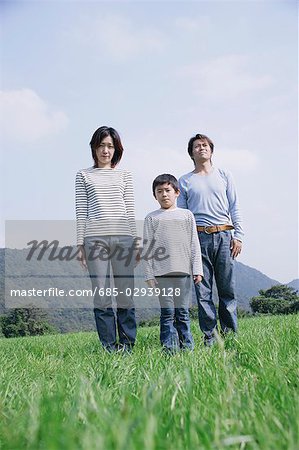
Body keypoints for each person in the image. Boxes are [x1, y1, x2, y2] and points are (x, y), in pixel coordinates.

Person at [75, 126, 138, 353]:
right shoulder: (83, 175)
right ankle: (110, 346)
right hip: (95, 239)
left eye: (110, 146)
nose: (105, 150)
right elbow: (81, 211)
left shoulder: (125, 175)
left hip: (123, 239)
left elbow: (130, 210)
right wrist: (80, 244)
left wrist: (136, 242)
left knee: (125, 294)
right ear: (94, 147)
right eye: (101, 145)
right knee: (101, 296)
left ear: (116, 149)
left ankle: (128, 345)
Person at [177, 133, 244, 347]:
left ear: (211, 150)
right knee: (203, 291)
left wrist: (239, 236)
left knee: (227, 289)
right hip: (198, 238)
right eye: (197, 146)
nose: (201, 148)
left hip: (225, 235)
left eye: (205, 145)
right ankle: (210, 338)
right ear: (191, 153)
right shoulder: (185, 180)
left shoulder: (224, 175)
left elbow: (234, 206)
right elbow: (183, 216)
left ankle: (230, 335)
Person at [143, 174, 203, 352]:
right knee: (168, 313)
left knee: (183, 313)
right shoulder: (151, 218)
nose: (164, 194)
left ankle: (187, 348)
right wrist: (149, 275)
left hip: (183, 273)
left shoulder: (186, 215)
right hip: (162, 275)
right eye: (159, 191)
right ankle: (169, 349)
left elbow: (194, 243)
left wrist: (197, 269)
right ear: (155, 195)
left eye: (168, 190)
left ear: (177, 192)